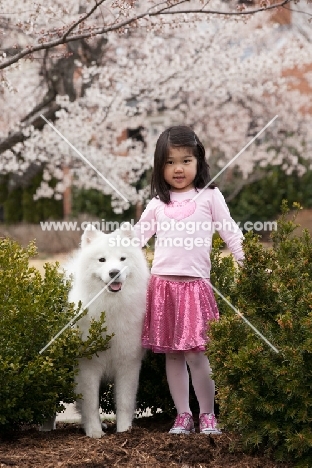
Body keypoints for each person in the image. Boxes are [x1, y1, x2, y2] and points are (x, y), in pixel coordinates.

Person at [134, 125, 244, 434]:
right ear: (160, 167)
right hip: (163, 288)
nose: (178, 168)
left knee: (197, 354)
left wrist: (247, 262)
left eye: (185, 160)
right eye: (169, 162)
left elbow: (230, 232)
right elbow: (135, 239)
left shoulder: (209, 196)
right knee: (173, 354)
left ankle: (207, 414)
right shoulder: (158, 204)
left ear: (199, 162)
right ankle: (183, 414)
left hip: (195, 287)